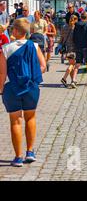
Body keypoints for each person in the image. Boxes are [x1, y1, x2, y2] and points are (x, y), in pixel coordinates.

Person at [0, 18, 46, 167]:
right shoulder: (35, 46)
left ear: (14, 31)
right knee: (30, 117)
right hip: (31, 87)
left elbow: (2, 73)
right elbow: (43, 66)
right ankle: (30, 152)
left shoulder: (6, 49)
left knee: (15, 120)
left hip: (12, 88)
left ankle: (18, 157)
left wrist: (1, 88)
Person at [72, 12, 87, 86]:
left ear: (81, 17)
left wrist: (75, 44)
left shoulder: (76, 25)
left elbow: (74, 36)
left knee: (77, 64)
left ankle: (74, 80)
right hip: (86, 47)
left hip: (78, 46)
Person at [60, 15, 78, 89]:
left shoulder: (64, 27)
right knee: (72, 65)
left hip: (66, 48)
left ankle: (72, 80)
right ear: (75, 20)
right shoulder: (75, 28)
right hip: (73, 48)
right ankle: (64, 78)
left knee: (71, 64)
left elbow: (62, 37)